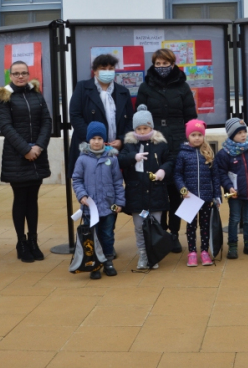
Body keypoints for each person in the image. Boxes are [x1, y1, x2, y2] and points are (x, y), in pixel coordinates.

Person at [136, 48, 197, 253]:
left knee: (177, 190)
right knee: (157, 186)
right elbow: (140, 117)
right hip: (155, 141)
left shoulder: (183, 86)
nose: (162, 67)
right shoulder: (146, 86)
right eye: (158, 64)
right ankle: (159, 231)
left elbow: (190, 116)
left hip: (178, 139)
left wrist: (190, 140)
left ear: (173, 64)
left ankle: (174, 234)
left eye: (165, 63)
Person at [0, 61, 52, 263]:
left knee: (32, 200)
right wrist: (26, 149)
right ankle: (21, 242)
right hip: (17, 157)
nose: (20, 77)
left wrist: (38, 147)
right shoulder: (4, 97)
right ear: (10, 75)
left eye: (24, 73)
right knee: (20, 199)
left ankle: (33, 241)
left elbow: (46, 122)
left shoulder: (36, 94)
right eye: (16, 73)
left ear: (28, 74)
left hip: (37, 156)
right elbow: (6, 127)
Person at [118, 105, 173, 270]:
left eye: (145, 128)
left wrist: (163, 170)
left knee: (155, 226)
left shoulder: (160, 144)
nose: (142, 132)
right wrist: (133, 157)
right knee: (140, 227)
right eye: (139, 128)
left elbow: (170, 160)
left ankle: (153, 254)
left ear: (151, 127)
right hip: (136, 193)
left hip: (156, 192)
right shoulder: (129, 145)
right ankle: (143, 254)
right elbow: (120, 160)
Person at [72, 121, 125, 279]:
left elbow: (117, 182)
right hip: (90, 207)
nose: (96, 141)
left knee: (108, 234)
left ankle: (108, 261)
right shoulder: (82, 159)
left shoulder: (112, 158)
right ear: (88, 140)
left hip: (108, 205)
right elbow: (77, 180)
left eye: (100, 138)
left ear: (104, 140)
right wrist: (82, 196)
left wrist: (120, 202)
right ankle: (95, 263)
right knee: (92, 235)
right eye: (93, 138)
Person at [68, 54, 134, 178]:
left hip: (116, 151)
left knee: (114, 186)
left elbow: (130, 119)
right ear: (95, 71)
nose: (107, 72)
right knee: (91, 188)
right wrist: (94, 140)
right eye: (103, 69)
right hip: (89, 150)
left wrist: (122, 140)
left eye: (111, 68)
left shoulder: (123, 91)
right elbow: (75, 116)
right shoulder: (83, 88)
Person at [215, 118, 248, 259]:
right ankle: (232, 246)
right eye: (239, 133)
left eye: (244, 132)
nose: (243, 135)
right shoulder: (224, 153)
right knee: (235, 219)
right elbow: (221, 173)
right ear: (231, 135)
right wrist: (229, 187)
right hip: (235, 194)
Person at [174, 119, 221, 266]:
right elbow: (177, 174)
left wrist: (217, 195)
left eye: (199, 135)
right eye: (193, 135)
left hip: (207, 198)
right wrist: (182, 189)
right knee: (191, 226)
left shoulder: (208, 153)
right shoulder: (183, 154)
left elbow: (215, 176)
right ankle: (192, 252)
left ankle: (205, 251)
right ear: (188, 136)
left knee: (205, 226)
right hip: (190, 198)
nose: (197, 138)